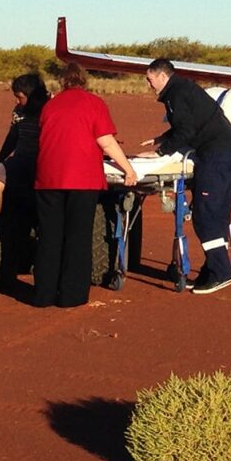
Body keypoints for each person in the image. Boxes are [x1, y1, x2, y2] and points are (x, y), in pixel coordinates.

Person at [33, 62, 136, 308]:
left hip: (48, 178)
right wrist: (128, 169)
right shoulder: (94, 103)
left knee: (49, 237)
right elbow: (106, 142)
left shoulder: (50, 105)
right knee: (78, 237)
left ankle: (43, 294)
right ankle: (72, 295)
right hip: (82, 179)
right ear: (84, 81)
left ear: (63, 82)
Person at [144, 57, 231, 295]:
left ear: (162, 76)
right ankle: (210, 272)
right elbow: (189, 124)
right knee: (215, 213)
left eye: (150, 80)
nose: (149, 85)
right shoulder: (182, 89)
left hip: (217, 157)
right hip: (224, 153)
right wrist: (162, 139)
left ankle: (221, 272)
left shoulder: (177, 94)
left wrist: (160, 151)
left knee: (206, 214)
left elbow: (187, 131)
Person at [0, 72, 49, 265]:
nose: (16, 100)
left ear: (32, 95)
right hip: (21, 159)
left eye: (20, 96)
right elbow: (13, 136)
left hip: (46, 159)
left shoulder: (52, 108)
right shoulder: (18, 111)